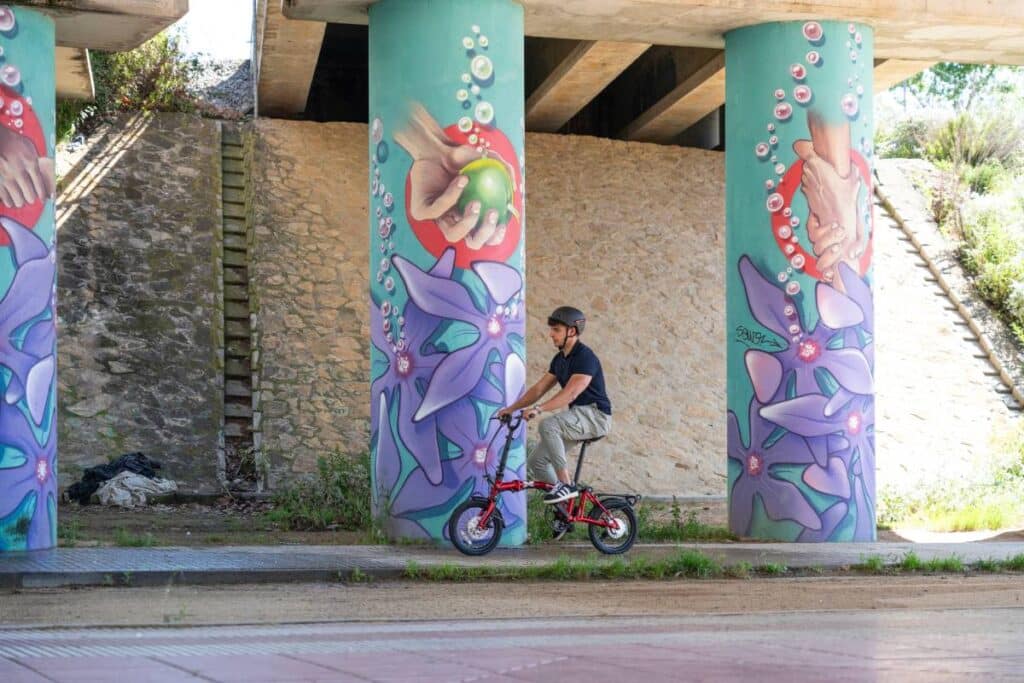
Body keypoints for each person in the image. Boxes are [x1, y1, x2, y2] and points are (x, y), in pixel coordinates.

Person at [497, 306, 612, 504]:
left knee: (548, 425)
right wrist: (511, 409)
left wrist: (539, 409)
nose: (551, 334)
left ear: (572, 331)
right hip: (578, 416)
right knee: (537, 462)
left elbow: (571, 393)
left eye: (556, 330)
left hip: (595, 416)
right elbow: (538, 389)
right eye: (552, 330)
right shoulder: (560, 360)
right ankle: (567, 509)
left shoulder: (585, 357)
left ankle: (565, 486)